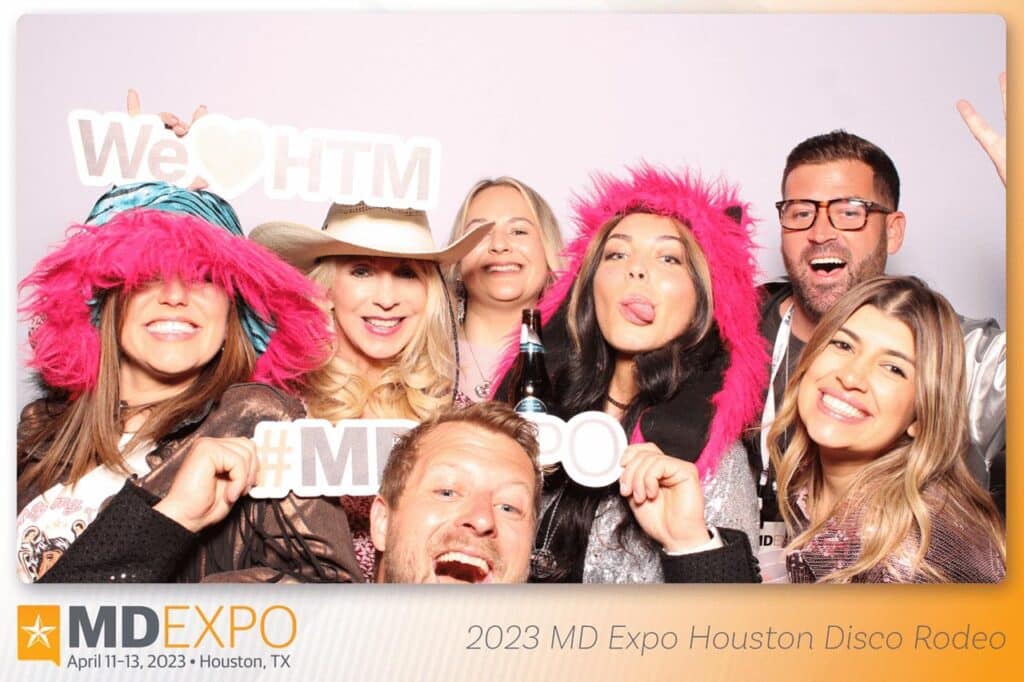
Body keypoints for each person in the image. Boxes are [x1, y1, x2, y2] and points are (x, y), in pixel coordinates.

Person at [17, 182, 361, 583]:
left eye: (204, 275)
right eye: (149, 272)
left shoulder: (257, 422)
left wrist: (190, 599)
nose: (176, 295)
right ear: (107, 297)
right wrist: (172, 515)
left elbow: (331, 597)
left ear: (232, 308)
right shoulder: (41, 428)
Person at [494, 164, 767, 583]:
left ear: (703, 298)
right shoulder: (533, 413)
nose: (636, 270)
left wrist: (691, 543)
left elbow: (735, 622)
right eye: (617, 254)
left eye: (669, 258)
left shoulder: (713, 460)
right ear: (588, 285)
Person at [755, 125, 1007, 534]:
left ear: (893, 230)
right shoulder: (724, 329)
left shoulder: (952, 352)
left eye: (849, 212)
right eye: (801, 213)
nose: (820, 233)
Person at [249, 202, 490, 579]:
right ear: (326, 289)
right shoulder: (274, 406)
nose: (387, 298)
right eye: (362, 271)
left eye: (407, 273)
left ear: (429, 293)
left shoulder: (457, 415)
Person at [768, 276, 1005, 583]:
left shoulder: (920, 559)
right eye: (843, 344)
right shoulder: (811, 491)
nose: (851, 377)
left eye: (893, 368)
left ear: (921, 416)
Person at [444, 177, 565, 401]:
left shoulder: (577, 368)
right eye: (480, 232)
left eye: (518, 231)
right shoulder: (421, 360)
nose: (499, 245)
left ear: (548, 253)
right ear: (457, 259)